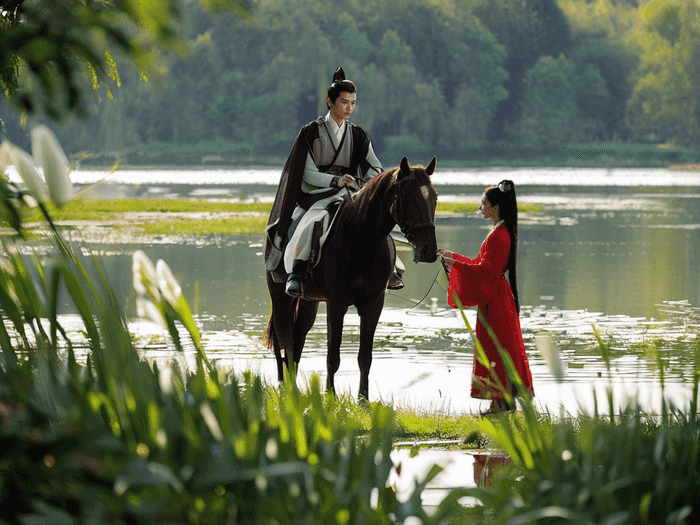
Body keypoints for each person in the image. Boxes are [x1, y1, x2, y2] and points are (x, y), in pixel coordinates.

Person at [264, 66, 403, 296]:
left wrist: (371, 182)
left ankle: (390, 269)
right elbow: (307, 174)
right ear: (330, 102)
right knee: (312, 223)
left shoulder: (358, 134)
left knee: (376, 223)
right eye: (344, 102)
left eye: (353, 103)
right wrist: (336, 181)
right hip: (315, 196)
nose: (349, 108)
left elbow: (375, 166)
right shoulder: (311, 133)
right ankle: (297, 273)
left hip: (350, 194)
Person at [438, 180, 534, 415]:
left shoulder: (500, 235)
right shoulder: (499, 232)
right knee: (494, 347)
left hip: (497, 301)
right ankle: (499, 403)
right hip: (496, 298)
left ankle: (501, 404)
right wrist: (455, 258)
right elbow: (481, 265)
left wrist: (455, 264)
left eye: (483, 204)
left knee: (497, 348)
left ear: (495, 207)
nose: (480, 208)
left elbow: (485, 272)